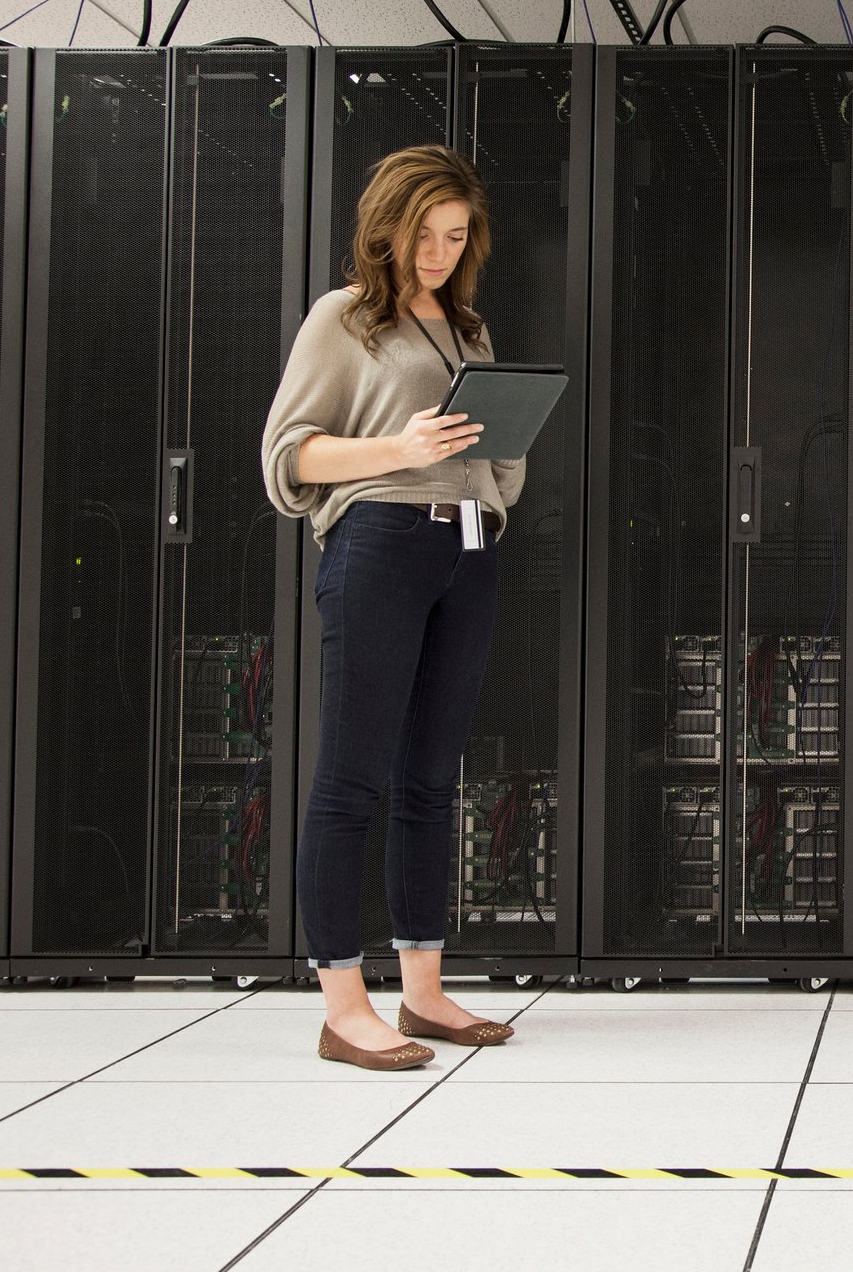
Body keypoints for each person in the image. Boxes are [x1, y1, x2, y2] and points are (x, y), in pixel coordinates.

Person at [262, 144, 522, 1070]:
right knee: (351, 780)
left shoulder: (470, 331)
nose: (440, 252)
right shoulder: (345, 320)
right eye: (425, 234)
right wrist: (399, 447)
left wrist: (497, 471)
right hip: (379, 542)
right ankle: (342, 1006)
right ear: (388, 227)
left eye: (456, 236)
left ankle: (422, 996)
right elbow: (289, 456)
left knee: (432, 780)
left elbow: (494, 459)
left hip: (467, 548)